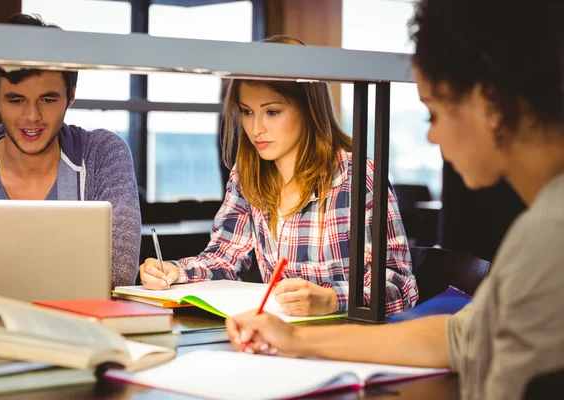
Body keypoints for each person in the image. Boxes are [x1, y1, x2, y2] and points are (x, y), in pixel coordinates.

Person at [225, 1, 564, 399]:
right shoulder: (538, 226)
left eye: (432, 114)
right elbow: (457, 337)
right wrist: (296, 340)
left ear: (490, 103)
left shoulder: (549, 236)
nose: (432, 138)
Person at [140, 35, 417, 317]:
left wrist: (333, 299)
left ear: (308, 108)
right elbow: (226, 256)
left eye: (272, 112)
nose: (256, 128)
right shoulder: (246, 174)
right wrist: (175, 270)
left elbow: (400, 287)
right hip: (281, 338)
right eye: (247, 112)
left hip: (346, 342)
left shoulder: (357, 177)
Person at [0, 13, 141, 288]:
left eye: (48, 99)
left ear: (71, 94)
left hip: (77, 329)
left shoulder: (103, 155)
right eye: (16, 99)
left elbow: (115, 277)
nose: (32, 116)